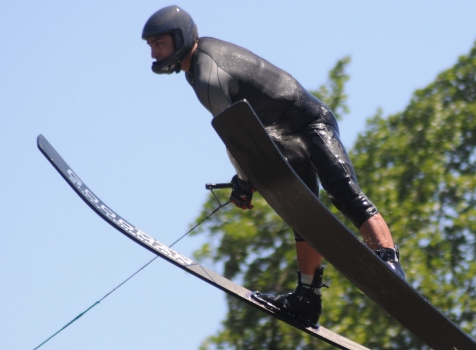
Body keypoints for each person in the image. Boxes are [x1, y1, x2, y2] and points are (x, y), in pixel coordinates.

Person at [142, 5, 405, 328]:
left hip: (308, 123)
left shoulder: (206, 72)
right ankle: (307, 297)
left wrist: (243, 180)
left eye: (159, 44)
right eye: (151, 46)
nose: (154, 53)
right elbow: (240, 132)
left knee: (343, 191)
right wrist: (245, 178)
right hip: (280, 137)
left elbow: (236, 135)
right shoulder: (194, 70)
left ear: (180, 37)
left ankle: (389, 262)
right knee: (305, 217)